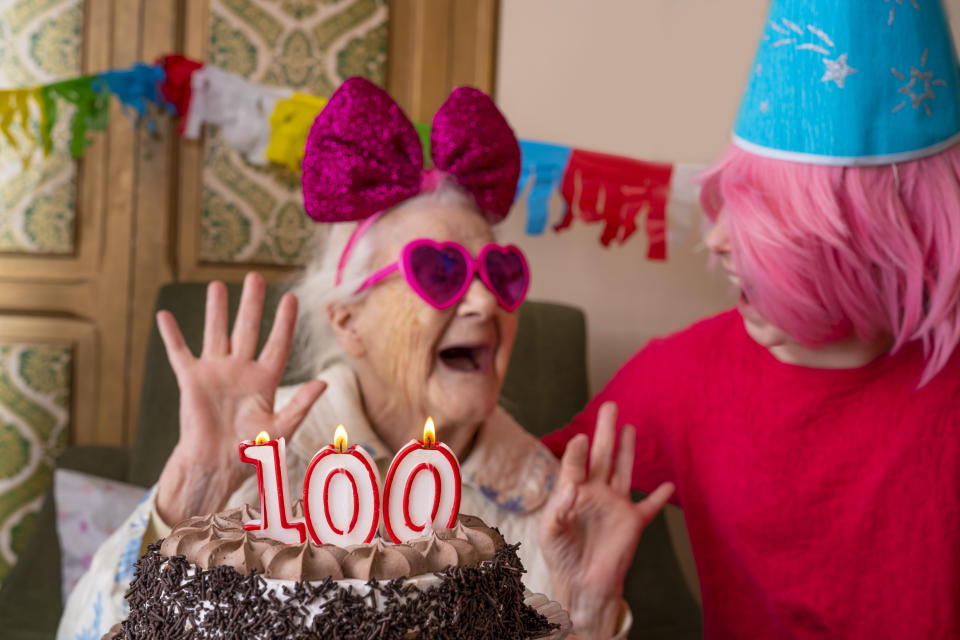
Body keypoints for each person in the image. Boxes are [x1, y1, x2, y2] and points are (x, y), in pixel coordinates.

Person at [58, 78, 673, 640]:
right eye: (440, 271)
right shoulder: (262, 467)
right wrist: (191, 494)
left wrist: (588, 611)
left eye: (500, 272)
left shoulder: (552, 512)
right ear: (349, 323)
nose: (485, 302)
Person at [544, 2, 960, 638]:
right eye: (730, 204)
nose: (714, 241)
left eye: (769, 223)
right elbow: (513, 492)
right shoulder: (680, 376)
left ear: (874, 236)